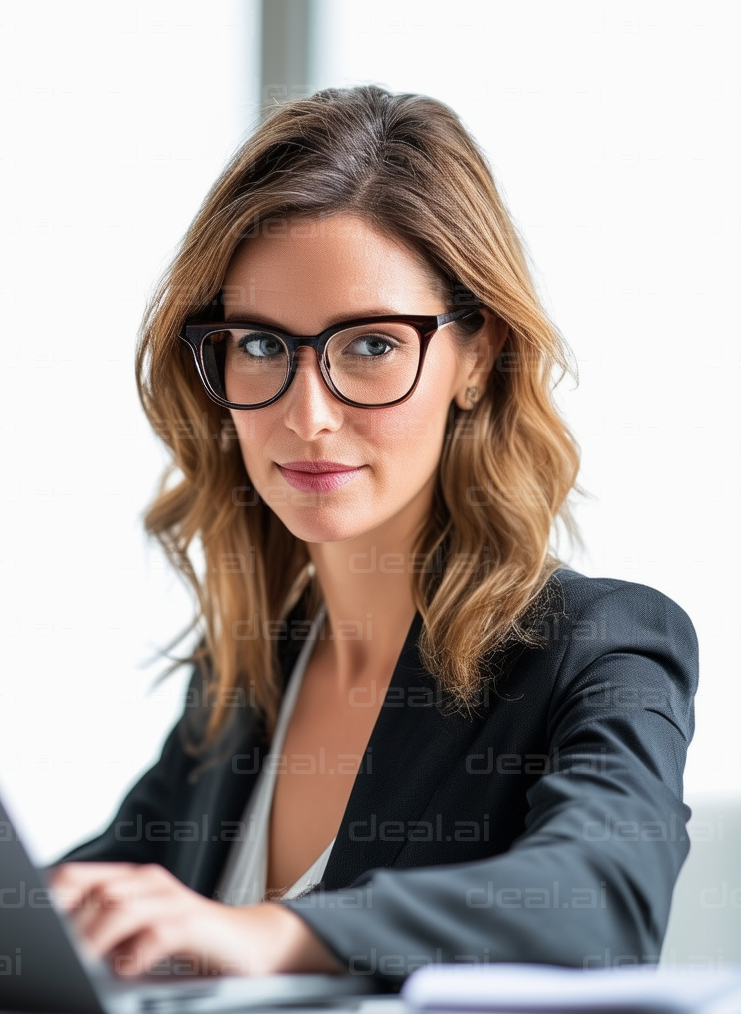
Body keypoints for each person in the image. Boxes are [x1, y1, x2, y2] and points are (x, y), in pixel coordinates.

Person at [49, 86, 698, 985]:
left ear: (476, 357)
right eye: (264, 347)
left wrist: (274, 936)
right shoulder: (244, 677)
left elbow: (603, 898)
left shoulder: (596, 649)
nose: (308, 418)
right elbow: (89, 900)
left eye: (372, 345)